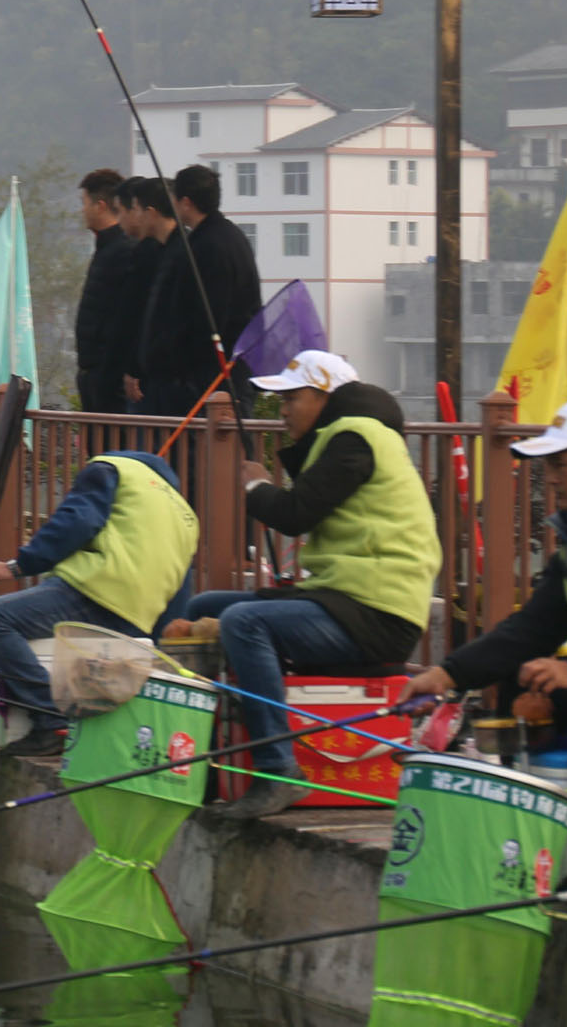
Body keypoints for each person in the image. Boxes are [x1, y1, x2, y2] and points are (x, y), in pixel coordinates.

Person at [182, 350, 442, 819]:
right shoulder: (350, 439)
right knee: (205, 605)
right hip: (342, 598)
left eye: (292, 397)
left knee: (243, 622)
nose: (282, 410)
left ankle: (277, 770)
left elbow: (295, 513)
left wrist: (256, 486)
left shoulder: (356, 435)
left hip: (375, 612)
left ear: (325, 396)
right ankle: (205, 755)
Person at [0, 448, 196, 757]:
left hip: (96, 591)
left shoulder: (111, 468)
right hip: (140, 616)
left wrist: (16, 566)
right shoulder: (185, 514)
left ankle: (49, 720)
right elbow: (182, 581)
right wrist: (152, 641)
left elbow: (76, 522)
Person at [408, 400, 567, 748]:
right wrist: (448, 674)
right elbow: (531, 630)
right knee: (526, 673)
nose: (550, 478)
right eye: (548, 465)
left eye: (560, 464)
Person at [138, 164, 263, 416]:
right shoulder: (232, 236)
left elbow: (206, 316)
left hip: (215, 376)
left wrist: (181, 364)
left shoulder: (207, 246)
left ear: (185, 203)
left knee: (211, 450)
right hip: (227, 368)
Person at [72, 168, 134, 414]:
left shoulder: (123, 251)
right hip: (93, 374)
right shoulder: (106, 248)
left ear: (100, 205)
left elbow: (124, 317)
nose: (82, 210)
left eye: (84, 203)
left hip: (109, 379)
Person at [116, 176, 173, 410]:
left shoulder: (155, 255)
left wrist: (134, 368)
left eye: (136, 209)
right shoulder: (161, 251)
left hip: (155, 378)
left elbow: (138, 314)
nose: (134, 217)